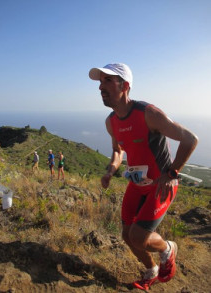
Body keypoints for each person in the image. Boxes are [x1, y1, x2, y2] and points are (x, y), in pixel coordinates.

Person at [89, 63, 198, 290]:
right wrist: (111, 169)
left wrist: (171, 173)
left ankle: (168, 248)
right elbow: (119, 150)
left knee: (138, 237)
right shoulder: (111, 122)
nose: (101, 87)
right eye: (100, 82)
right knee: (127, 235)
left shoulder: (148, 113)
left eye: (108, 81)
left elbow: (189, 139)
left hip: (161, 185)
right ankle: (151, 270)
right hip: (137, 184)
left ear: (125, 86)